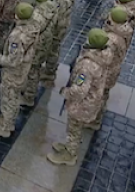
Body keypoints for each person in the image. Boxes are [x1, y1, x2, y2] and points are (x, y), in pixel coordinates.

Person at [47, 29, 110, 166]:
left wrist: (66, 92)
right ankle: (70, 146)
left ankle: (70, 154)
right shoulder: (103, 56)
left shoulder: (87, 66)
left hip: (82, 104)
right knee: (75, 128)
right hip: (92, 100)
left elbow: (79, 91)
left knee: (74, 128)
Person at [0, 2, 38, 138]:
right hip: (23, 70)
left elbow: (13, 60)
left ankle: (5, 127)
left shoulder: (17, 36)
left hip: (13, 73)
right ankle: (8, 120)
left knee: (8, 98)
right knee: (14, 97)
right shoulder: (33, 27)